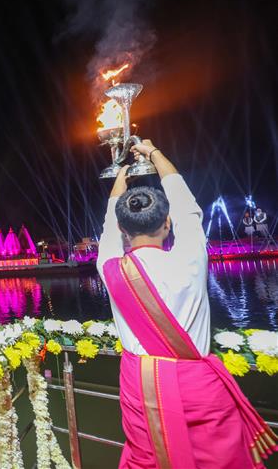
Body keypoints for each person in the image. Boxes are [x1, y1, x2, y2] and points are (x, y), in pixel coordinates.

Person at [97, 139, 276, 468]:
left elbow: (109, 224)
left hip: (142, 386)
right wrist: (153, 152)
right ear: (167, 224)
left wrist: (120, 175)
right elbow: (186, 205)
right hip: (198, 386)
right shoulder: (191, 254)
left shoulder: (110, 267)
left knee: (148, 456)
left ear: (123, 230)